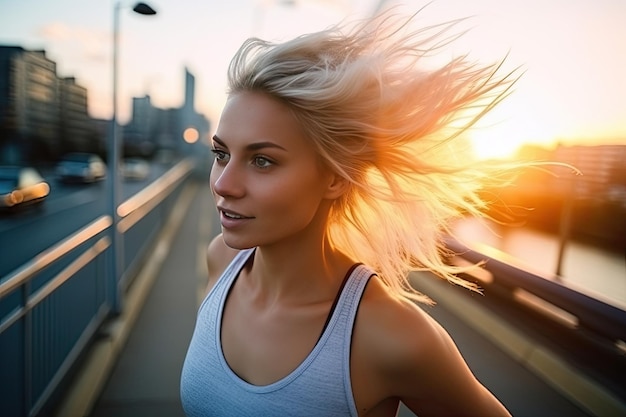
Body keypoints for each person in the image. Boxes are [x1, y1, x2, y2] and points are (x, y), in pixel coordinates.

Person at [181, 10, 516, 417]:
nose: (222, 184)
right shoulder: (221, 259)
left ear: (335, 178)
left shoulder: (391, 335)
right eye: (221, 154)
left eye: (263, 161)